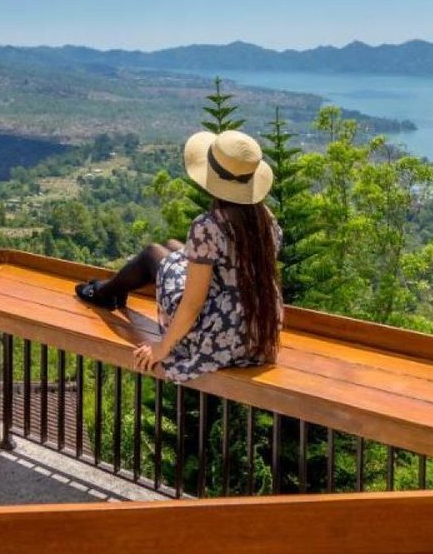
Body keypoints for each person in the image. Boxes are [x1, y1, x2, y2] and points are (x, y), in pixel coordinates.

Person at [74, 129, 284, 382]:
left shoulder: (208, 226)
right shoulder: (265, 220)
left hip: (218, 338)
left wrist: (162, 348)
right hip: (256, 333)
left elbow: (193, 303)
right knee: (174, 247)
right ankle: (110, 290)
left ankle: (105, 293)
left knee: (154, 253)